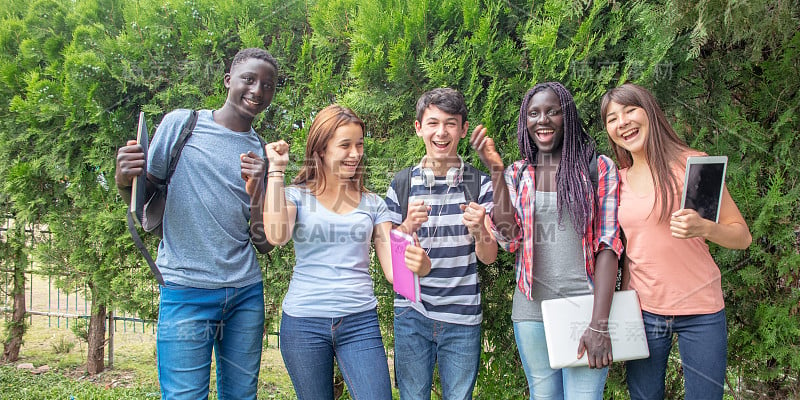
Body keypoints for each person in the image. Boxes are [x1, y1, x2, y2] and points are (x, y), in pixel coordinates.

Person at [114, 48, 277, 399]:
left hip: (245, 294)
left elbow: (263, 242)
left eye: (268, 85)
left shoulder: (262, 152)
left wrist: (258, 191)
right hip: (186, 291)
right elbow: (144, 197)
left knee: (241, 395)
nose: (257, 91)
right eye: (249, 79)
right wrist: (123, 179)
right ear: (228, 80)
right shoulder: (183, 125)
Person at [258, 104, 431, 400]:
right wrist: (276, 170)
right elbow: (276, 235)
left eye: (359, 144)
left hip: (359, 321)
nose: (355, 153)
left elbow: (393, 272)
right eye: (345, 145)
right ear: (322, 149)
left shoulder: (373, 204)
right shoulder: (295, 196)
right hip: (304, 323)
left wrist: (421, 266)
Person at [470, 81, 623, 399]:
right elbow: (509, 238)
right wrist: (496, 171)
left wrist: (599, 323)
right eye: (534, 113)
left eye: (553, 111)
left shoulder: (598, 168)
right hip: (531, 311)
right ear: (525, 122)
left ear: (567, 116)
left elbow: (608, 245)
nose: (543, 120)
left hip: (585, 309)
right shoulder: (516, 174)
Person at [600, 83, 752, 400]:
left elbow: (741, 235)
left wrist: (704, 227)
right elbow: (625, 251)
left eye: (630, 111)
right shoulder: (618, 179)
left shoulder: (694, 165)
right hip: (644, 312)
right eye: (612, 118)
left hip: (702, 311)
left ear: (650, 113)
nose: (622, 122)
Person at [385, 87, 497, 400]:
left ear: (462, 129)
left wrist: (480, 231)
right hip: (412, 315)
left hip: (462, 319)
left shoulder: (478, 183)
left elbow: (488, 257)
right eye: (433, 123)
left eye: (450, 123)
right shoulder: (402, 184)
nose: (441, 132)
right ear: (419, 128)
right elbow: (390, 259)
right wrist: (407, 226)